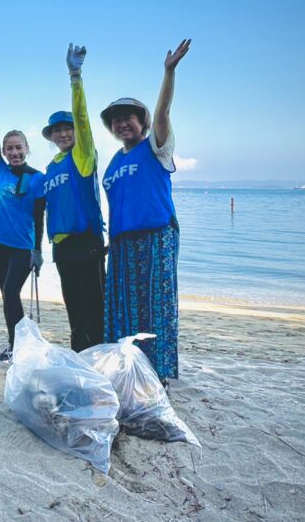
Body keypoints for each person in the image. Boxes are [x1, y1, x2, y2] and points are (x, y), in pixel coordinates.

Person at [100, 39, 191, 387]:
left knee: (156, 307)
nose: (123, 124)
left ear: (142, 122)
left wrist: (168, 72)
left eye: (129, 119)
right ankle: (128, 370)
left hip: (156, 237)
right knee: (123, 308)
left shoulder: (155, 147)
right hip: (122, 244)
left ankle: (158, 374)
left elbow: (164, 113)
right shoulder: (115, 161)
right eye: (117, 121)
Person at [42, 44, 106, 353]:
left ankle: (99, 361)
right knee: (75, 312)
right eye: (57, 131)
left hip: (87, 243)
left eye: (68, 129)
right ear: (51, 136)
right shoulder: (49, 167)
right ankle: (81, 359)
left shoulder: (82, 156)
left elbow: (82, 119)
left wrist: (75, 76)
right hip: (62, 246)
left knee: (94, 309)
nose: (64, 134)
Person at [0, 77, 46, 362]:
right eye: (10, 148)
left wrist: (38, 251)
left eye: (19, 148)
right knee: (8, 297)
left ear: (27, 149)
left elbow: (39, 216)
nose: (14, 152)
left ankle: (18, 347)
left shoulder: (38, 178)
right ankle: (14, 345)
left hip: (21, 248)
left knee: (10, 293)